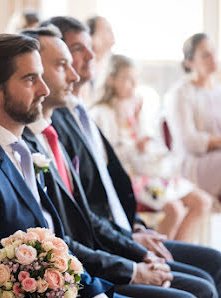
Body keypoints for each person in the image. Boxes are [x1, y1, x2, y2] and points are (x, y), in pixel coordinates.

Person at [20, 26, 215, 298]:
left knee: (211, 266)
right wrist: (132, 261)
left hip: (114, 237)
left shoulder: (66, 118)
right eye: (75, 52)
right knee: (199, 288)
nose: (89, 58)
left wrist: (134, 234)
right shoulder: (42, 134)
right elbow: (72, 224)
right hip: (90, 260)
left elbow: (102, 192)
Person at [0, 33, 115, 298]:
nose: (44, 90)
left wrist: (95, 290)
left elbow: (56, 239)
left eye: (41, 76)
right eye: (30, 79)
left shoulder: (28, 149)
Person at [90, 54, 212, 243]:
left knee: (202, 202)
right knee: (174, 210)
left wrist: (140, 124)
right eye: (128, 79)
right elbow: (106, 157)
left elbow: (151, 143)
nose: (133, 85)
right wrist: (135, 147)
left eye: (135, 79)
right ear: (111, 80)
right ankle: (162, 257)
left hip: (152, 172)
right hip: (129, 177)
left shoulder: (135, 107)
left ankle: (181, 254)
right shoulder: (101, 113)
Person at [165, 33, 221, 198]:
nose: (213, 58)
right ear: (189, 62)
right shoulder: (180, 93)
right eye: (205, 55)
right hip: (192, 164)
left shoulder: (218, 91)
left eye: (214, 52)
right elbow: (189, 141)